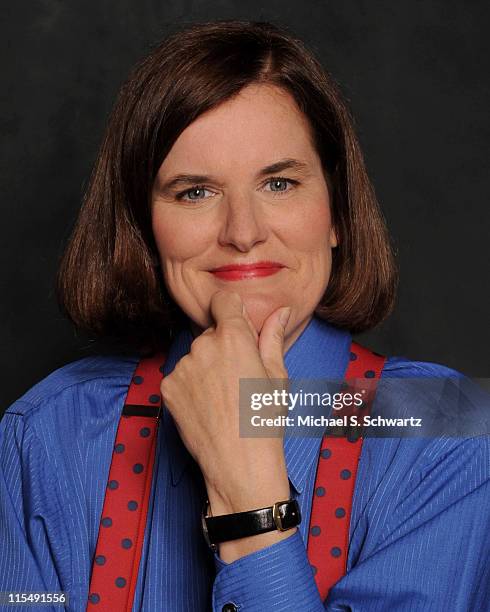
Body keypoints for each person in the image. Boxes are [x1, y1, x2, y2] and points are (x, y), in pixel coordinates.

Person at [0, 20, 488, 612]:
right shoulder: (46, 432)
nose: (243, 232)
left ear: (336, 213)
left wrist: (248, 502)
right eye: (194, 192)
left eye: (279, 183)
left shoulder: (451, 429)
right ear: (144, 228)